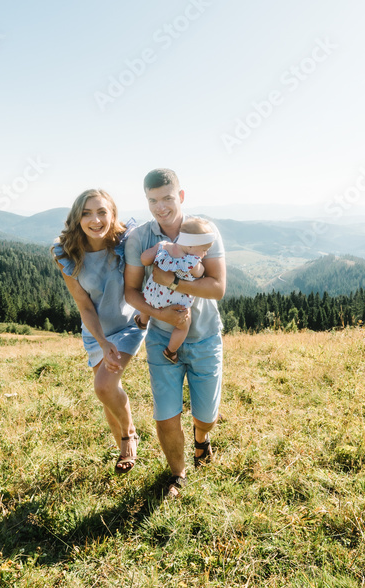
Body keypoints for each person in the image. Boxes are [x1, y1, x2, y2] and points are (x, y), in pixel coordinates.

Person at [124, 169, 226, 497]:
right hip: (159, 338)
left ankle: (201, 438)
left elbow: (217, 288)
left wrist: (177, 282)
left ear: (180, 196)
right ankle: (178, 475)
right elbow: (131, 292)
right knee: (166, 415)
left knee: (206, 416)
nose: (160, 206)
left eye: (167, 198)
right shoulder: (141, 237)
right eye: (152, 200)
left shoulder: (204, 232)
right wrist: (159, 313)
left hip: (205, 336)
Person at [52, 189, 145, 474]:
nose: (95, 220)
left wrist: (148, 312)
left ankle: (129, 436)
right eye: (87, 213)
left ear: (113, 214)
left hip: (130, 325)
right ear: (77, 218)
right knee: (106, 393)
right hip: (96, 332)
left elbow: (153, 272)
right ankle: (123, 448)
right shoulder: (66, 254)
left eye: (102, 212)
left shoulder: (127, 242)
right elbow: (84, 305)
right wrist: (103, 342)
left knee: (104, 385)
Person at [135, 217, 216, 364]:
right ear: (191, 246)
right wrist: (200, 266)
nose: (204, 254)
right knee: (183, 326)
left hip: (152, 295)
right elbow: (200, 273)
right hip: (175, 305)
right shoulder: (192, 261)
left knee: (147, 299)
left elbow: (144, 259)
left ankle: (142, 321)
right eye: (204, 250)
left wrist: (154, 254)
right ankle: (170, 351)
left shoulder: (163, 246)